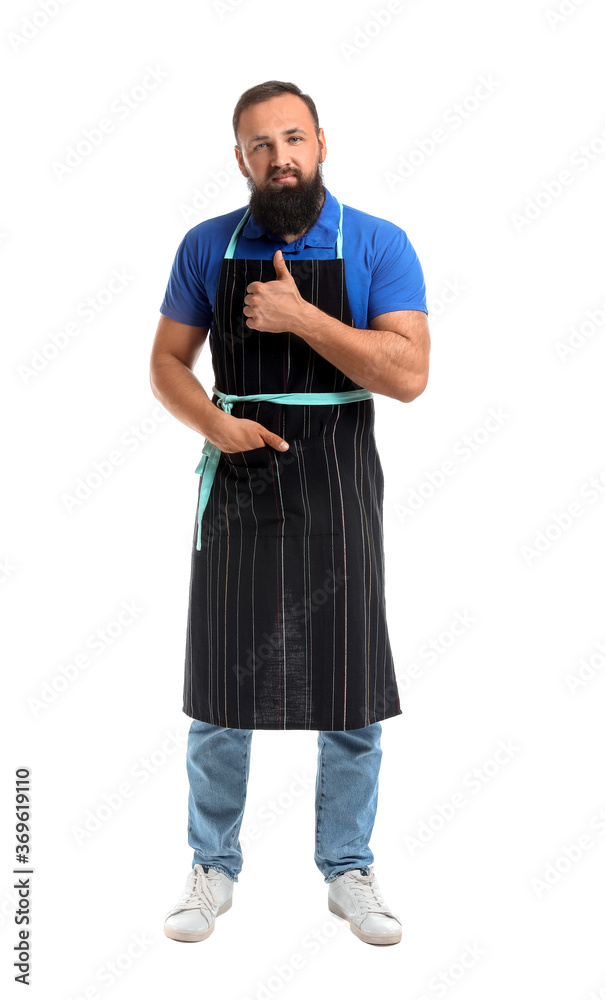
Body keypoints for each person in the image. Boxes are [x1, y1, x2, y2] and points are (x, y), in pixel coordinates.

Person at [150, 80, 430, 947]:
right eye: (260, 145)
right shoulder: (204, 246)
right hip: (238, 479)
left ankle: (347, 866)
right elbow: (166, 362)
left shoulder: (379, 243)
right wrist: (216, 426)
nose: (280, 157)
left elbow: (408, 375)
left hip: (338, 479)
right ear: (240, 159)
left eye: (293, 138)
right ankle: (212, 867)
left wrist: (302, 316)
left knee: (348, 690)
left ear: (320, 143)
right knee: (221, 690)